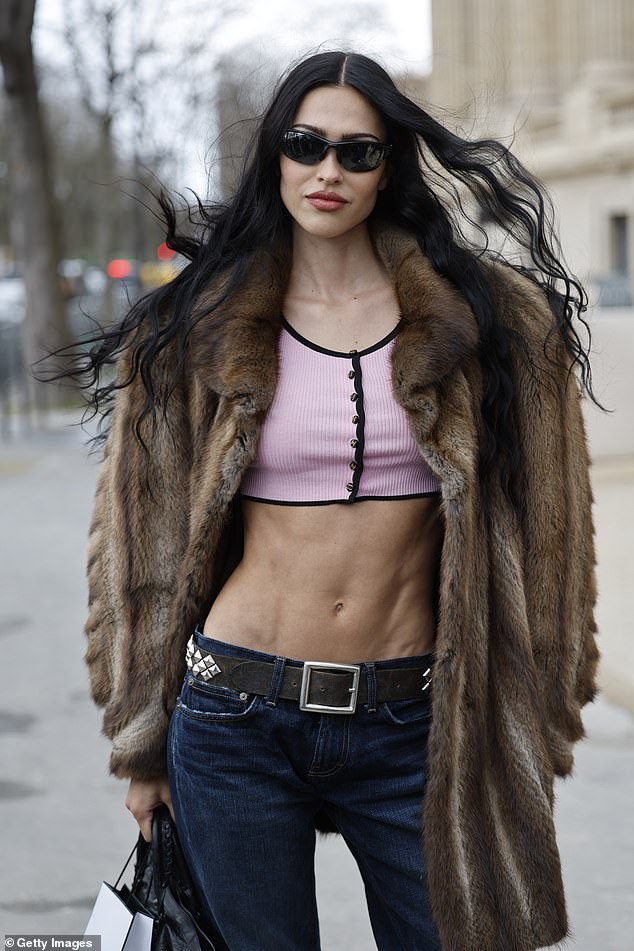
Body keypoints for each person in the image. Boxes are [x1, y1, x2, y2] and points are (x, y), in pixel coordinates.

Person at [80, 50, 599, 951]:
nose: (328, 170)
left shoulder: (492, 322)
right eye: (305, 144)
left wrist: (534, 727)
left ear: (389, 165)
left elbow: (551, 542)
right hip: (235, 717)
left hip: (417, 723)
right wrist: (141, 743)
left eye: (357, 152)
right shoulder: (196, 322)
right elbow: (145, 551)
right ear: (275, 156)